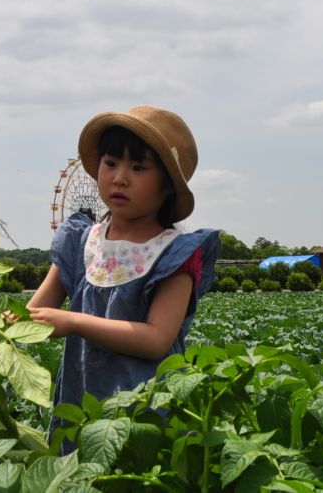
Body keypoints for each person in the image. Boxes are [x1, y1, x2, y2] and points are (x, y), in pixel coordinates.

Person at [25, 105, 220, 442]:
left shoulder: (174, 254)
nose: (120, 178)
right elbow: (33, 314)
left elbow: (156, 340)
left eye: (139, 167)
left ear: (167, 187)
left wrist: (72, 322)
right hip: (82, 404)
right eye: (111, 163)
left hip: (145, 414)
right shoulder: (80, 241)